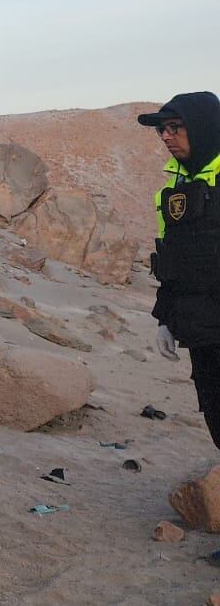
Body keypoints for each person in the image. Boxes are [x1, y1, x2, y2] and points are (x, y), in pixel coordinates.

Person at [141, 92, 220, 446]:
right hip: (201, 331)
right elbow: (170, 262)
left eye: (175, 128)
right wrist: (164, 319)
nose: (166, 137)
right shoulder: (174, 192)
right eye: (162, 130)